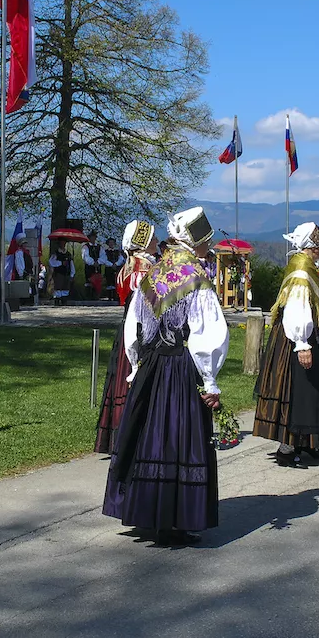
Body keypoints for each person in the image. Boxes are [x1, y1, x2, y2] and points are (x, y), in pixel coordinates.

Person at [102, 207, 229, 545]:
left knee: (149, 435)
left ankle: (147, 510)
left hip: (153, 366)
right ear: (194, 243)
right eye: (205, 241)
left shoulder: (155, 273)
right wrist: (210, 379)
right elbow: (206, 333)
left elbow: (134, 326)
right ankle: (176, 517)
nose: (208, 246)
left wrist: (136, 366)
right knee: (179, 439)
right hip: (181, 367)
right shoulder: (195, 277)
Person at [253, 222, 319, 468]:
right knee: (298, 392)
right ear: (313, 246)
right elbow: (296, 308)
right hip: (295, 338)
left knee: (310, 391)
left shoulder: (303, 264)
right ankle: (287, 448)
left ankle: (307, 442)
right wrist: (302, 344)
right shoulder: (301, 270)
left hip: (298, 337)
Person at [95, 220, 157, 455]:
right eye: (151, 238)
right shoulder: (144, 270)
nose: (156, 241)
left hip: (126, 330)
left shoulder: (127, 268)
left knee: (122, 379)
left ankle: (120, 435)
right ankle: (136, 435)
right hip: (141, 332)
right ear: (143, 242)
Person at [49, 241, 75, 306]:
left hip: (66, 274)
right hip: (58, 273)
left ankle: (64, 301)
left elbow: (71, 264)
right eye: (61, 243)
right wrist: (61, 263)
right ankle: (57, 301)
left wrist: (72, 274)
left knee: (65, 287)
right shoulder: (56, 253)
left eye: (64, 243)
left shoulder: (68, 254)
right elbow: (51, 262)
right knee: (58, 287)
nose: (63, 244)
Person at [99, 237, 124, 302]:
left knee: (115, 281)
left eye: (112, 242)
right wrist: (111, 265)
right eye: (110, 242)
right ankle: (109, 297)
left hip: (116, 268)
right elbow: (104, 259)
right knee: (109, 282)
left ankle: (115, 296)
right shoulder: (105, 251)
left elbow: (121, 259)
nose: (111, 244)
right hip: (109, 268)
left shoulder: (117, 251)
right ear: (108, 244)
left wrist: (116, 264)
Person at [82, 233, 102, 300]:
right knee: (89, 281)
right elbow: (85, 257)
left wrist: (98, 262)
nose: (93, 239)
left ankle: (96, 297)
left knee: (97, 281)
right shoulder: (86, 247)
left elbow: (103, 256)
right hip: (89, 267)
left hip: (98, 266)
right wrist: (93, 263)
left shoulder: (99, 247)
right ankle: (88, 297)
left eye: (94, 237)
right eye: (91, 237)